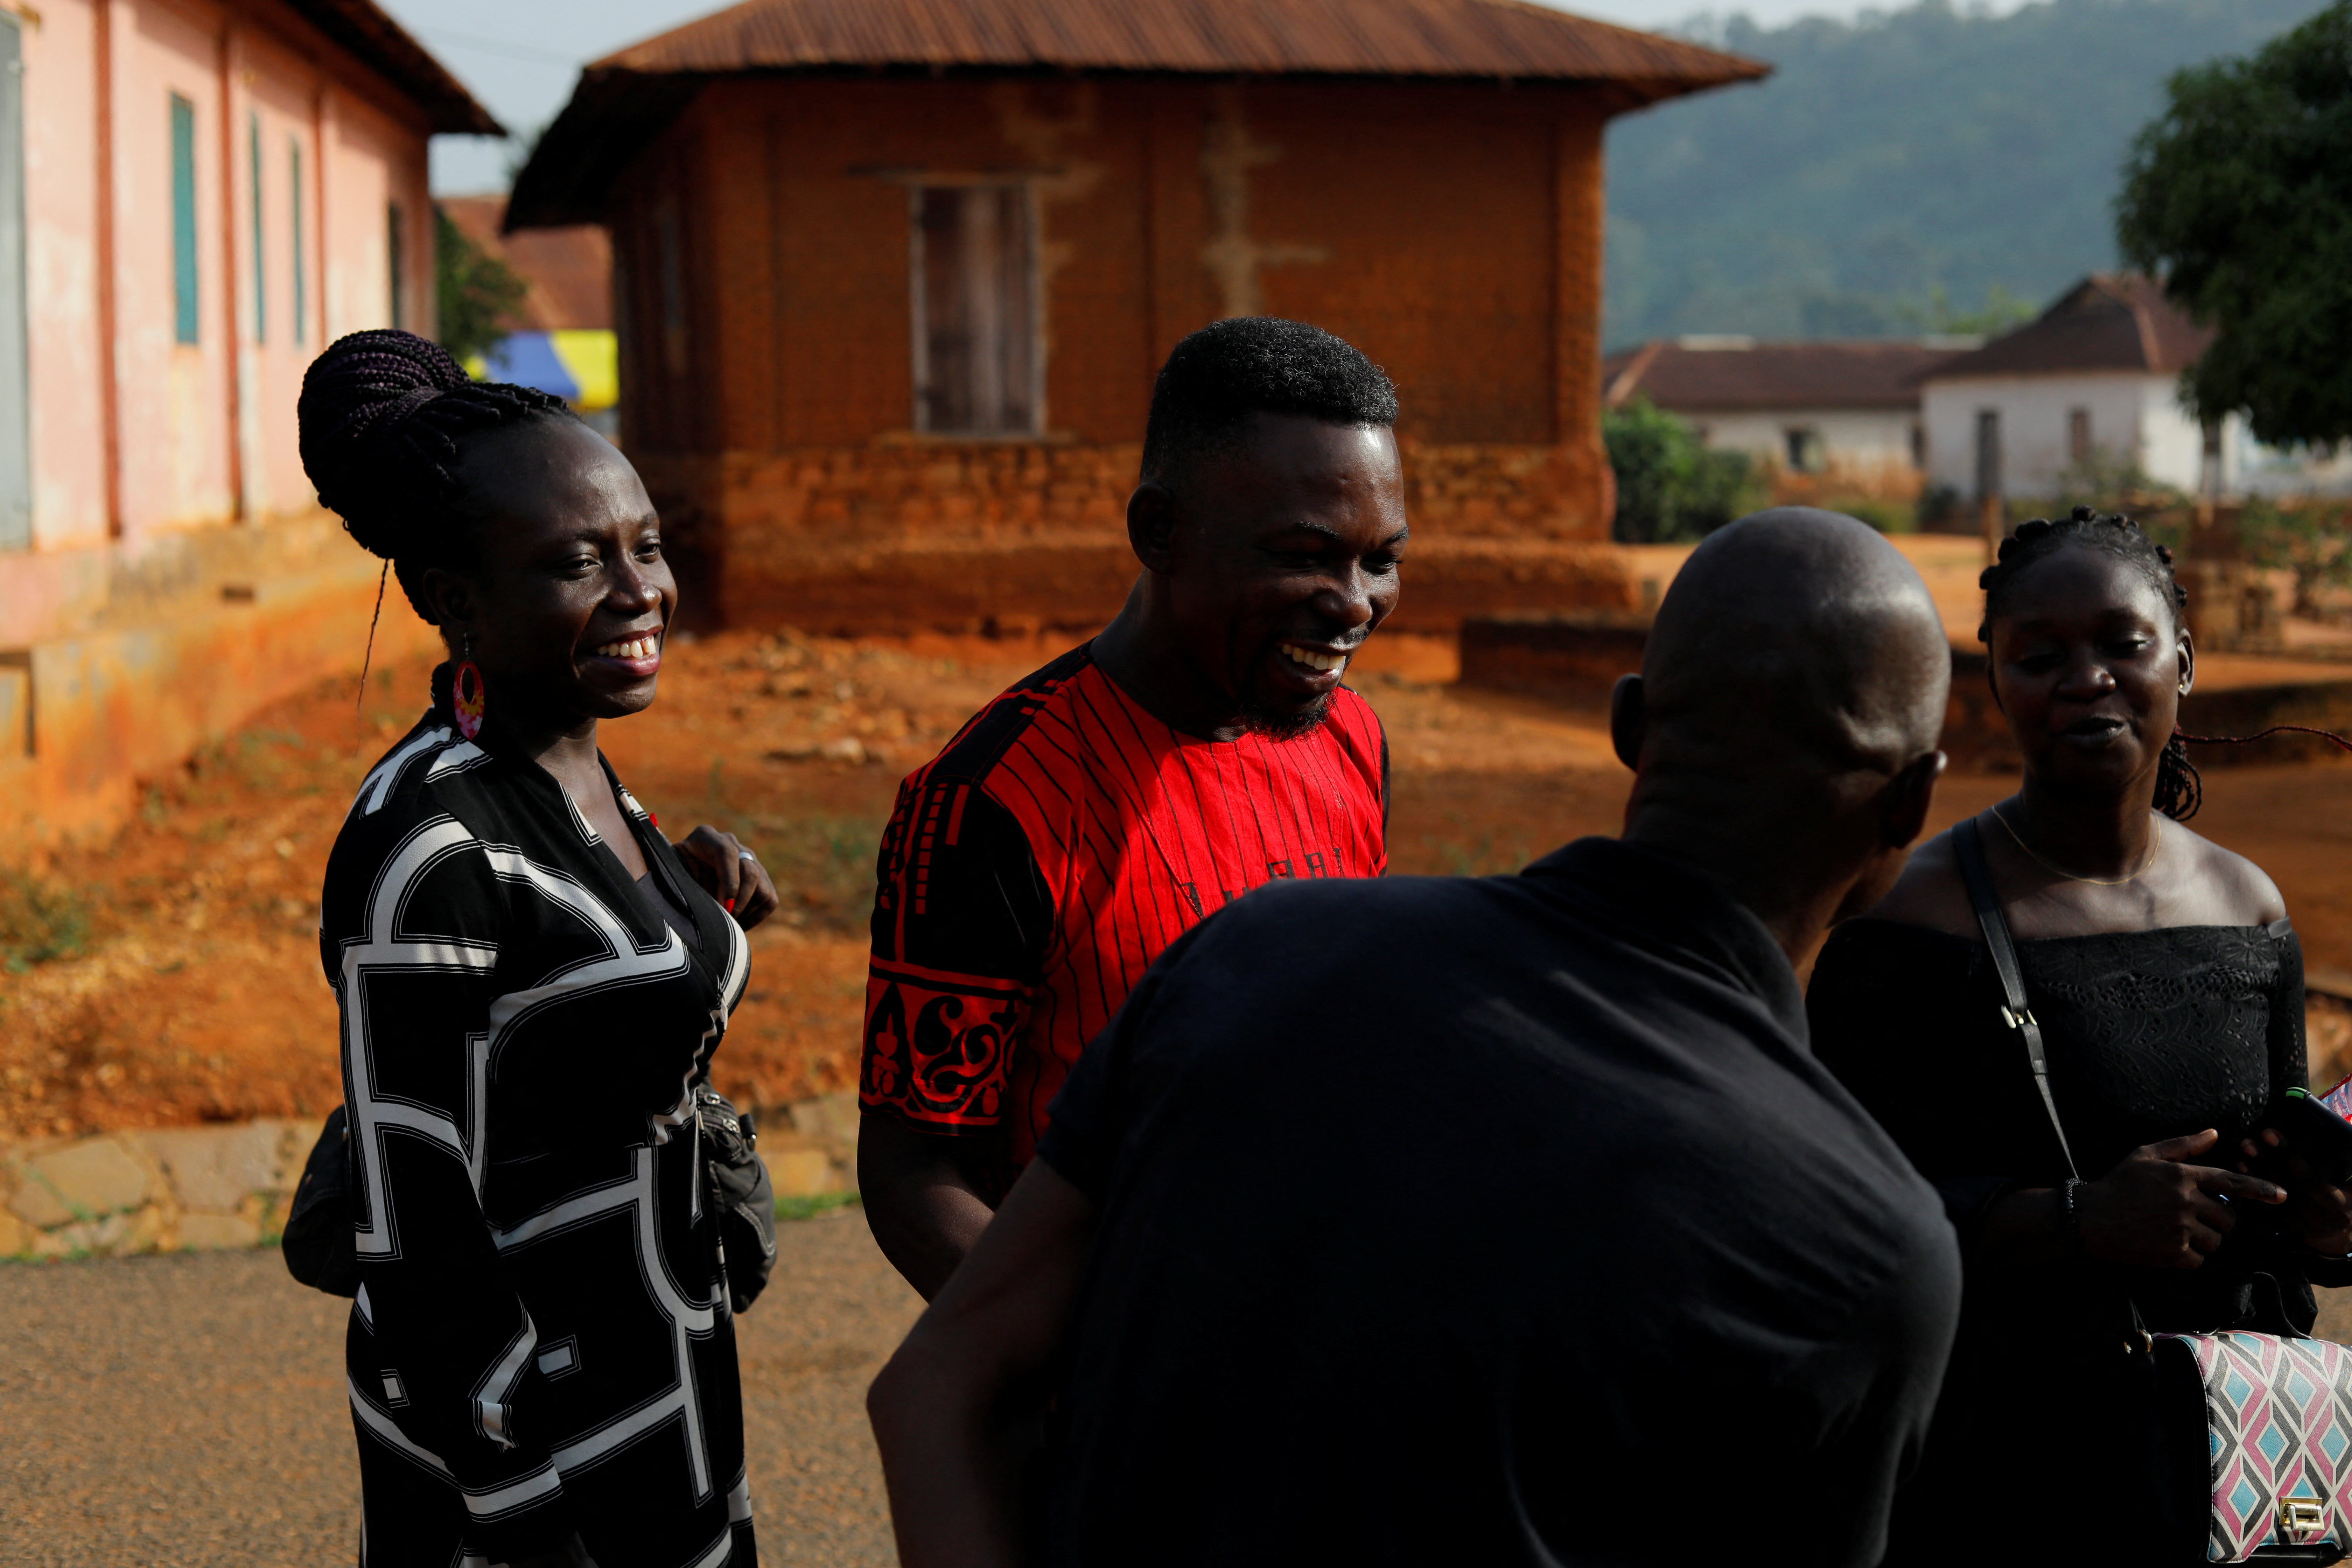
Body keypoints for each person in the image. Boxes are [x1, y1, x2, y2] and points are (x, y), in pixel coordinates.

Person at [868, 507, 1965, 1567]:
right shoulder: (1868, 1244)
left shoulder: (1253, 950)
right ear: (1914, 806)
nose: (1350, 602)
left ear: (1630, 725)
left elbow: (936, 1385)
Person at [302, 330, 779, 1568]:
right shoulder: (429, 847)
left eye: (647, 545)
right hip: (529, 1446)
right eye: (578, 561)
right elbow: (416, 1243)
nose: (642, 592)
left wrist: (692, 904)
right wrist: (522, 1516)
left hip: (659, 1368)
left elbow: (574, 1007)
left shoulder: (576, 763)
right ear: (454, 597)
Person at [1807, 506, 2352, 1566]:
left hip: (2216, 1483)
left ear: (2183, 662)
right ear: (1995, 681)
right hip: (1992, 1481)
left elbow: (2286, 1229)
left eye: (2122, 643)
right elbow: (1840, 1226)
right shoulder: (1910, 921)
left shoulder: (2250, 912)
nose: (2086, 677)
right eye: (2040, 656)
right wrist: (2079, 1221)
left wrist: (2330, 1222)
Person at [858, 318, 1406, 1300]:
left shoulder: (1351, 743)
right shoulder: (994, 801)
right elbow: (913, 1175)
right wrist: (1099, 1355)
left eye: (1380, 560)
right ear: (1160, 532)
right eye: (1305, 556)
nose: (1354, 603)